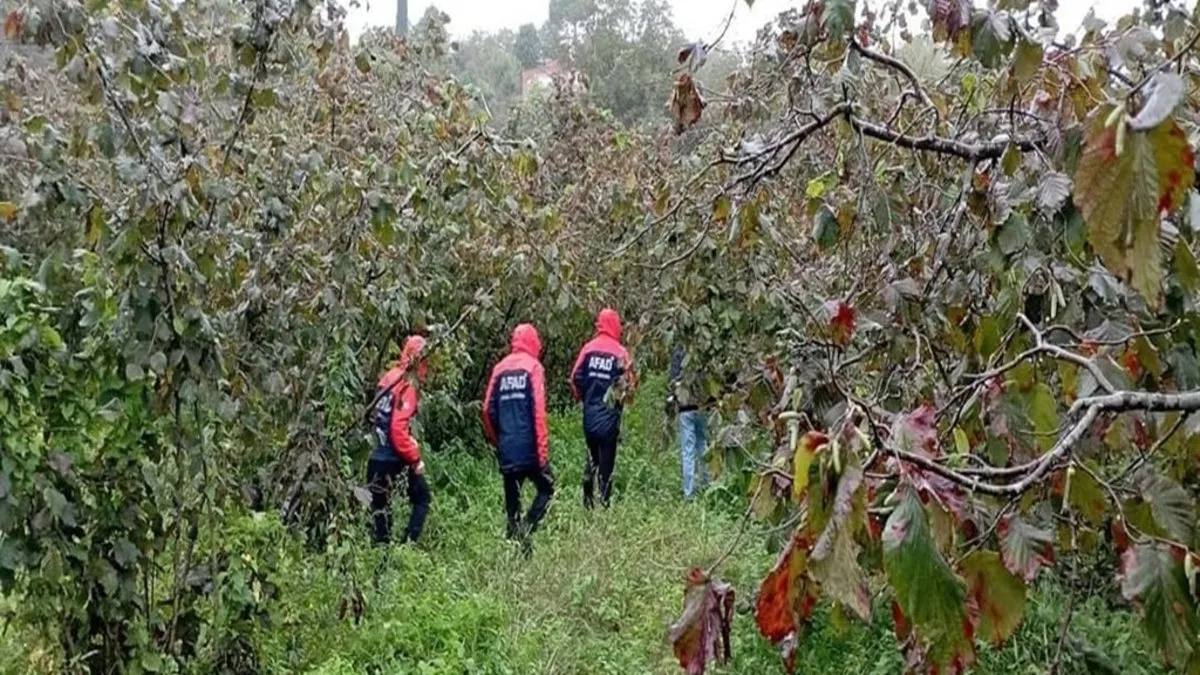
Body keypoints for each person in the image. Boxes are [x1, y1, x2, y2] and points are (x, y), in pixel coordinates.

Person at [482, 324, 555, 552]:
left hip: (507, 447)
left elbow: (486, 410)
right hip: (530, 448)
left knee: (512, 505)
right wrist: (542, 452)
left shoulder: (499, 369)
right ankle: (528, 527)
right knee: (548, 489)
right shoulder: (534, 368)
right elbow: (538, 413)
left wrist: (498, 440)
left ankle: (515, 554)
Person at [366, 335, 431, 545]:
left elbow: (376, 416)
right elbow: (398, 429)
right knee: (422, 498)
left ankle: (382, 560)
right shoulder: (407, 384)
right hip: (394, 457)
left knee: (380, 513)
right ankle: (407, 546)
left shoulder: (388, 377)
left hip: (376, 455)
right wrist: (415, 458)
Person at [570, 308, 636, 509]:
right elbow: (631, 384)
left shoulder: (588, 349)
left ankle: (587, 503)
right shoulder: (620, 352)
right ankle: (605, 506)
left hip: (589, 416)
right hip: (610, 418)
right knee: (607, 464)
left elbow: (575, 378)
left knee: (591, 457)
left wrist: (583, 397)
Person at [668, 345, 710, 501]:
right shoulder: (704, 348)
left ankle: (689, 493)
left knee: (688, 451)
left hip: (685, 407)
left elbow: (672, 379)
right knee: (703, 445)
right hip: (703, 405)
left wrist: (672, 398)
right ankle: (707, 486)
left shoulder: (679, 350)